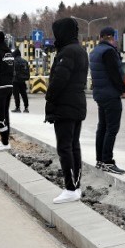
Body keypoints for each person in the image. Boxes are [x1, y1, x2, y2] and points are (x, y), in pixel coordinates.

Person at [45, 18, 89, 204]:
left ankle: (70, 188)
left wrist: (49, 98)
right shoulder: (79, 49)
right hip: (76, 103)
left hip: (65, 105)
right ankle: (75, 186)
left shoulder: (67, 52)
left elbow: (59, 80)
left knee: (65, 147)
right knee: (73, 146)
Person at [89, 26, 125, 174]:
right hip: (111, 95)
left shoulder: (94, 52)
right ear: (111, 37)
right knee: (112, 128)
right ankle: (107, 161)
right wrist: (123, 89)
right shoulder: (109, 52)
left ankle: (100, 160)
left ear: (100, 37)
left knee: (102, 127)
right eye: (114, 38)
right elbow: (114, 74)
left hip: (100, 94)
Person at [11, 49, 30, 113]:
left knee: (16, 95)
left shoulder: (14, 61)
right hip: (23, 80)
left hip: (15, 80)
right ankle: (26, 108)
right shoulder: (25, 61)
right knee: (24, 94)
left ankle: (17, 108)